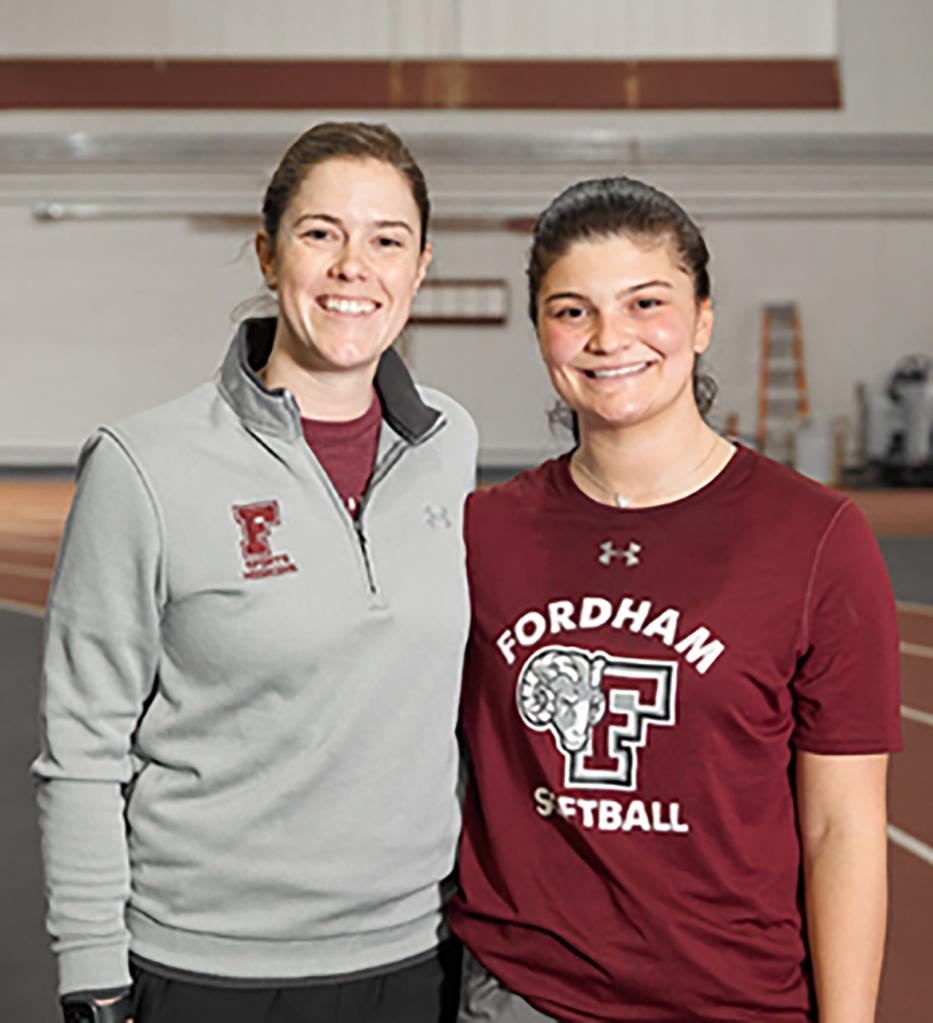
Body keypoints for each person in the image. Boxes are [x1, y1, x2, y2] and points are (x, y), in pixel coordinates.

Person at [33, 121, 476, 1023]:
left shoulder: (451, 445)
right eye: (321, 233)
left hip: (416, 953)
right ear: (269, 252)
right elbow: (81, 748)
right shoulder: (143, 462)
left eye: (386, 240)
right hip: (203, 969)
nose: (355, 265)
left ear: (419, 266)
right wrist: (91, 972)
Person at [449, 176, 901, 1023]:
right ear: (541, 330)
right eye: (571, 309)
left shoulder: (814, 537)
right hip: (522, 996)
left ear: (701, 320)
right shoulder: (484, 535)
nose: (608, 337)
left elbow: (841, 827)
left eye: (644, 301)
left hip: (731, 999)